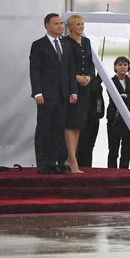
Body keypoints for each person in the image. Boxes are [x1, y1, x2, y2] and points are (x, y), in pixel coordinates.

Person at [29, 13, 77, 175]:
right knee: (44, 129)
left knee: (58, 129)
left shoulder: (66, 44)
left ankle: (54, 162)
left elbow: (70, 70)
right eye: (56, 23)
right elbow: (34, 71)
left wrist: (73, 91)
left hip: (63, 95)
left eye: (61, 23)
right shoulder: (39, 45)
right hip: (46, 95)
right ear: (47, 26)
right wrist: (37, 93)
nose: (60, 26)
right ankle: (42, 164)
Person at [63, 15, 94, 174]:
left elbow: (90, 63)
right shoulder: (66, 42)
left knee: (79, 123)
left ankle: (71, 157)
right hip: (71, 86)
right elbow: (65, 64)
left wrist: (89, 76)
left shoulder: (87, 42)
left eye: (82, 24)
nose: (81, 27)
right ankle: (72, 159)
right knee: (70, 122)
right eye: (78, 24)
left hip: (84, 87)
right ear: (71, 27)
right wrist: (75, 77)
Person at [107, 56, 130, 169]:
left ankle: (124, 171)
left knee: (126, 149)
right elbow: (114, 98)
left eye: (125, 65)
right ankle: (111, 172)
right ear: (115, 67)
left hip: (129, 118)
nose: (123, 67)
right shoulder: (111, 81)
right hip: (115, 119)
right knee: (113, 149)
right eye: (120, 64)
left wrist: (127, 96)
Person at [76, 75, 104, 168]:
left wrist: (99, 112)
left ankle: (87, 165)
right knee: (83, 144)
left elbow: (99, 100)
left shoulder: (98, 85)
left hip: (94, 117)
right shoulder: (88, 83)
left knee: (90, 145)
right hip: (85, 116)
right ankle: (82, 165)